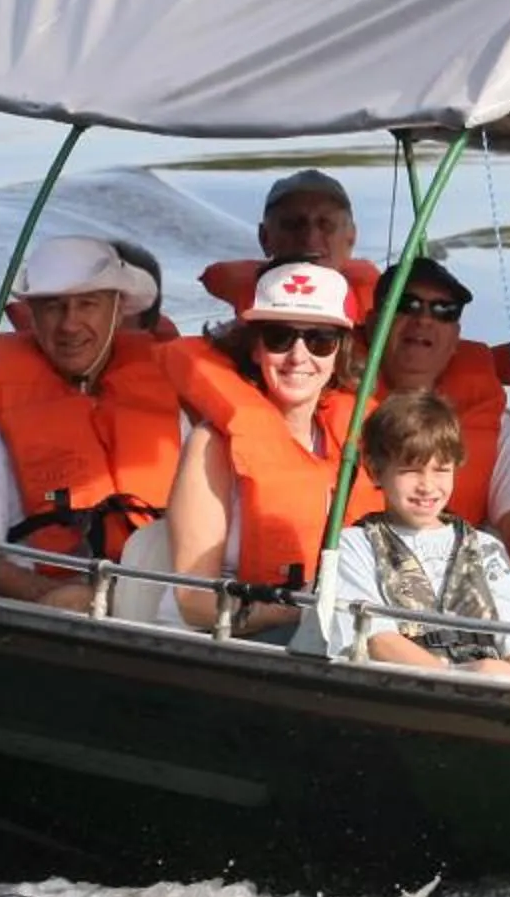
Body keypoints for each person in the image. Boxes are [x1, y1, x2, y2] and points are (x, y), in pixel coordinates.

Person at [160, 259, 382, 639]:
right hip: (221, 637)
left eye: (320, 340)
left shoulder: (357, 438)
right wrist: (296, 610)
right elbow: (194, 602)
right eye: (279, 337)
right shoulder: (210, 446)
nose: (298, 356)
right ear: (255, 348)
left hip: (324, 632)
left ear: (339, 352)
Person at [0, 235, 183, 608]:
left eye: (87, 305)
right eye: (53, 307)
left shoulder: (178, 412)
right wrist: (57, 597)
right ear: (32, 316)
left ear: (118, 310)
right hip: (43, 609)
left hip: (158, 607)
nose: (69, 324)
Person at [365, 254, 510, 615]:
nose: (423, 319)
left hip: (460, 620)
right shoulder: (329, 406)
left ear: (455, 340)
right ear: (374, 325)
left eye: (443, 310)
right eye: (407, 305)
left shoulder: (491, 426)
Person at [324, 394, 510, 679]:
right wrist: (455, 673)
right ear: (376, 471)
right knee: (493, 670)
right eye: (410, 471)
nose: (427, 486)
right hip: (412, 685)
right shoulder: (355, 545)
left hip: (500, 682)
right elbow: (373, 637)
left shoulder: (486, 547)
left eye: (441, 470)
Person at [196, 168, 377, 314]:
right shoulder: (233, 341)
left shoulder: (389, 328)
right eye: (292, 224)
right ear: (264, 238)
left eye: (326, 224)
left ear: (351, 237)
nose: (309, 238)